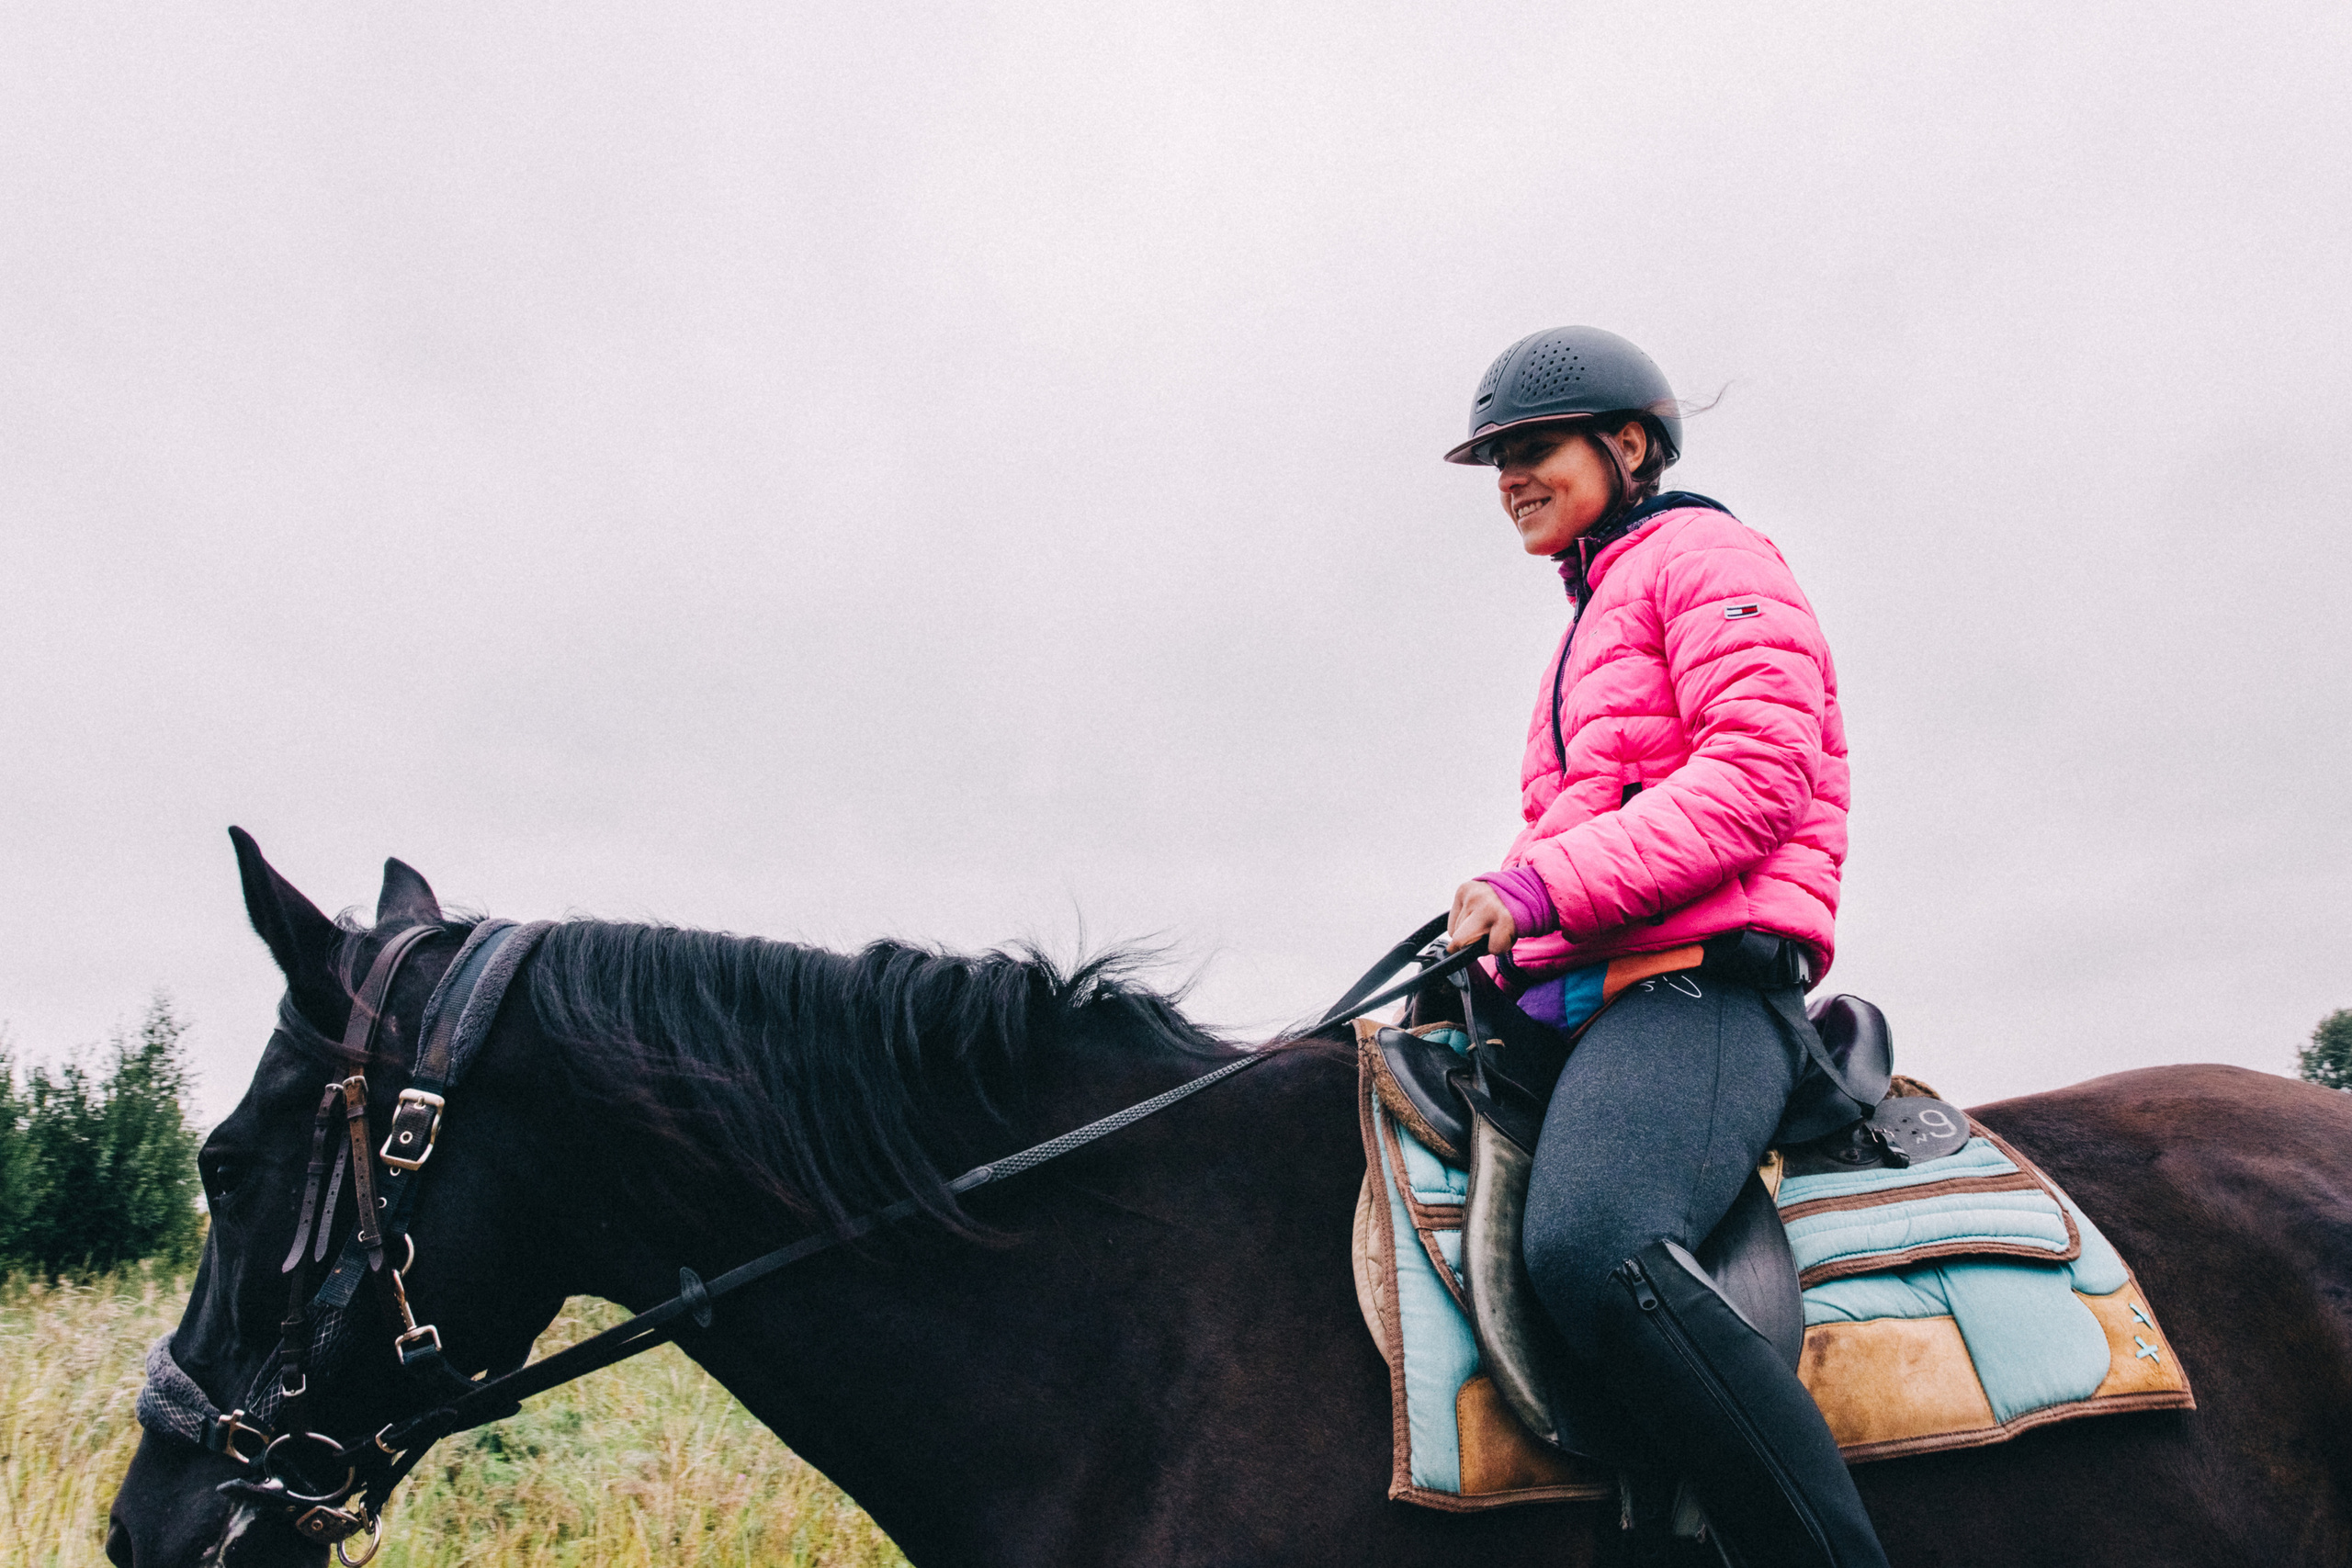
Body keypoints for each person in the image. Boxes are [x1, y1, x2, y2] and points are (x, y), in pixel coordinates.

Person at [1441, 326, 1888, 1568]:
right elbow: (1596, 824)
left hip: (1707, 993)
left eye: (1531, 449)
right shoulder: (1596, 607)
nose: (1509, 479)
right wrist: (1496, 947)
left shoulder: (1705, 556)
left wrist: (1533, 890)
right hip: (1605, 987)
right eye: (1496, 461)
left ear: (1627, 443)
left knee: (1592, 1242)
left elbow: (1755, 774)